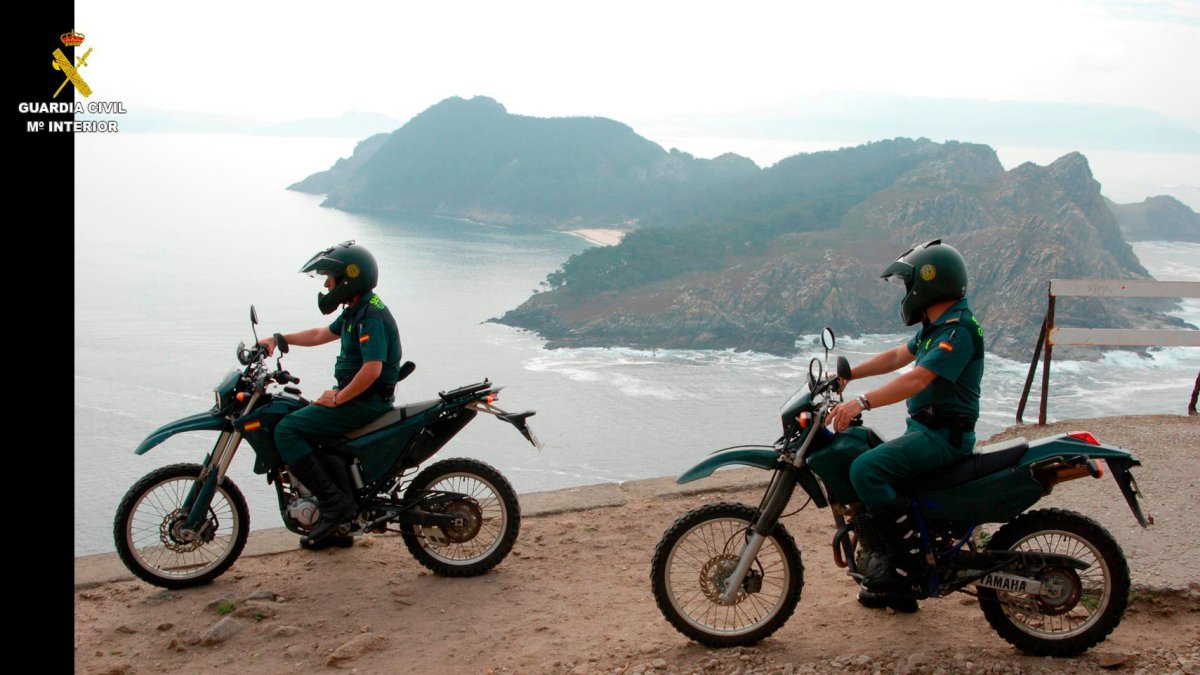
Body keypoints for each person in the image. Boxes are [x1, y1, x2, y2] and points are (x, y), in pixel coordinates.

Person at [827, 239, 983, 610]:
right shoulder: (938, 325)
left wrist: (861, 401)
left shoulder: (957, 331)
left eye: (908, 283)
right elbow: (899, 355)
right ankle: (897, 586)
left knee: (866, 469)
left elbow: (917, 379)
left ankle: (903, 567)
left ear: (929, 283)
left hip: (943, 438)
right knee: (868, 454)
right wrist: (850, 374)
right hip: (926, 431)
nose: (906, 292)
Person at [258, 240, 403, 548]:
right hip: (358, 397)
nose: (326, 285)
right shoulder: (356, 310)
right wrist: (279, 339)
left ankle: (335, 505)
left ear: (350, 278)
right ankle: (339, 524)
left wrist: (338, 398)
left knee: (287, 430)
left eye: (330, 278)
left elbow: (372, 369)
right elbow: (320, 334)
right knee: (308, 427)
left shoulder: (371, 316)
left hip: (365, 402)